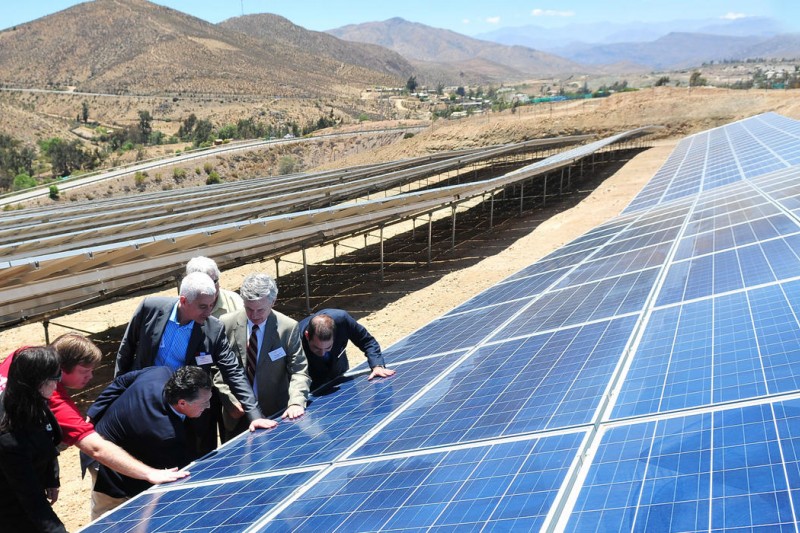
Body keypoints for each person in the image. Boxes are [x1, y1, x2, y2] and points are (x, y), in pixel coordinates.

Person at [0, 334, 188, 490]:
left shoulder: (23, 355)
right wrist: (149, 473)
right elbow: (96, 448)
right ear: (61, 368)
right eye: (85, 371)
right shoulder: (53, 400)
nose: (90, 377)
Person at [115, 271, 272, 458]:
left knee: (187, 457)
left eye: (212, 305)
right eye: (203, 306)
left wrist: (254, 414)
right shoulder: (150, 308)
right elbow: (126, 350)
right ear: (183, 300)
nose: (208, 312)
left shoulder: (213, 328)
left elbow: (233, 371)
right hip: (146, 399)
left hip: (187, 408)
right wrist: (119, 392)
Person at [82, 366, 213, 519]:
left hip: (128, 442)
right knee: (111, 516)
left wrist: (93, 412)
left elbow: (122, 380)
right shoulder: (165, 433)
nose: (208, 406)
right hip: (107, 461)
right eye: (204, 402)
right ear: (182, 403)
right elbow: (177, 471)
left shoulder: (160, 372)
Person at [217, 274, 310, 441]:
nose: (254, 315)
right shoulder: (226, 324)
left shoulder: (287, 328)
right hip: (237, 414)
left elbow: (299, 370)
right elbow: (217, 369)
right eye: (249, 309)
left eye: (260, 310)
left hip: (275, 415)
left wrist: (296, 401)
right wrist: (229, 400)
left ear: (273, 302)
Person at [0, 346, 67, 532]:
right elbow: (32, 499)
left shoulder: (34, 401)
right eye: (54, 379)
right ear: (35, 382)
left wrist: (52, 477)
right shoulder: (8, 436)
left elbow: (49, 438)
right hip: (9, 507)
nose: (57, 384)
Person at [298, 309, 395, 390]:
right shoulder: (294, 339)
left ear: (335, 334)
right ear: (307, 336)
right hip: (312, 379)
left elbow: (367, 341)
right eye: (317, 348)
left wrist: (377, 365)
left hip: (339, 368)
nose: (323, 353)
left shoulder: (342, 321)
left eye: (328, 347)